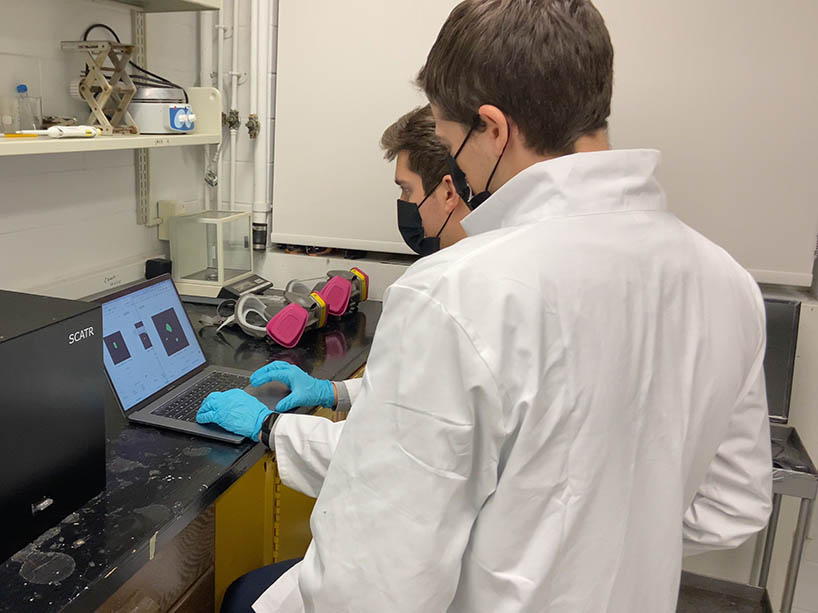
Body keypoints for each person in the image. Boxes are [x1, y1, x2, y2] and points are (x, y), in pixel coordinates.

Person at [211, 1, 774, 611]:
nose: (456, 169)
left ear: (494, 129)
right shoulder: (726, 280)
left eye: (452, 143)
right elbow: (731, 508)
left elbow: (373, 583)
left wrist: (513, 548)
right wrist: (591, 548)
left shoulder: (458, 292)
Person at [197, 105, 470, 500]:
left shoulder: (437, 293)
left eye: (406, 190)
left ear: (447, 192)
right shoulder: (482, 278)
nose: (403, 203)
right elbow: (424, 404)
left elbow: (381, 458)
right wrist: (333, 393)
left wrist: (267, 425)